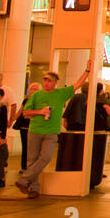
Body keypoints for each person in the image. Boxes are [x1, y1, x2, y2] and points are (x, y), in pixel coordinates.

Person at [15, 63, 92, 198]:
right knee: (32, 160)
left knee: (45, 157)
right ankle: (34, 189)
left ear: (55, 83)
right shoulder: (36, 96)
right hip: (35, 131)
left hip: (51, 133)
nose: (46, 83)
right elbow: (26, 113)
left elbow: (77, 84)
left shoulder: (61, 94)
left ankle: (24, 179)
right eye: (45, 80)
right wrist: (40, 111)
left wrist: (87, 71)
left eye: (49, 81)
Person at [12, 82, 39, 171]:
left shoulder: (40, 101)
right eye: (32, 89)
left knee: (33, 148)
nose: (33, 91)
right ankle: (24, 166)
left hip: (34, 127)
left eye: (36, 89)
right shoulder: (26, 100)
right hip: (24, 127)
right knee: (25, 147)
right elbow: (20, 111)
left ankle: (32, 166)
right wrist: (11, 120)